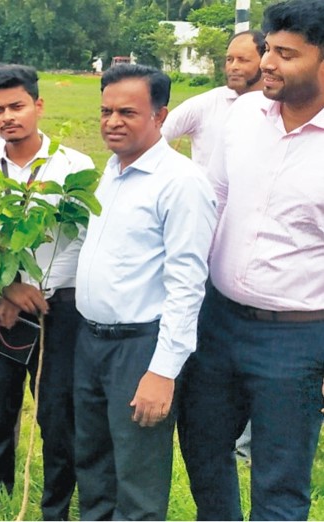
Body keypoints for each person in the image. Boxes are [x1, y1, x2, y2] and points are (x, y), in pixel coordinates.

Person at [178, 1, 324, 518]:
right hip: (217, 321)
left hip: (297, 338)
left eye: (286, 54)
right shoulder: (243, 116)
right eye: (269, 49)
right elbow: (213, 201)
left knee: (280, 474)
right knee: (201, 444)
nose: (267, 63)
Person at [75, 64, 215, 520]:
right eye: (105, 111)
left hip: (139, 348)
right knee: (93, 463)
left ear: (160, 115)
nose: (112, 121)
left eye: (127, 112)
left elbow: (187, 284)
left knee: (137, 477)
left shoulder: (182, 183)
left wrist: (163, 371)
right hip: (91, 342)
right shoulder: (112, 172)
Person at [0, 65, 92, 517]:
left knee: (58, 416)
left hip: (58, 308)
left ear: (38, 106)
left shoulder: (73, 166)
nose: (7, 117)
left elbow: (79, 237)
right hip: (0, 305)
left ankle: (55, 506)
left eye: (17, 106)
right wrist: (7, 287)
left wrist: (36, 288)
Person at [162, 31, 267, 172]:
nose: (233, 67)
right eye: (229, 59)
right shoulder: (206, 104)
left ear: (265, 61)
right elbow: (154, 138)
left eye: (243, 60)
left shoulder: (279, 107)